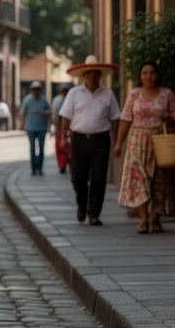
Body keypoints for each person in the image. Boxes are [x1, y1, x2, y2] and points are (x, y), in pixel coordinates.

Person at [114, 61, 175, 233]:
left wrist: (168, 119)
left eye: (151, 72)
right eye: (144, 73)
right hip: (137, 141)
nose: (148, 76)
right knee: (139, 179)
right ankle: (143, 219)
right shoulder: (134, 95)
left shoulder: (167, 94)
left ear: (157, 75)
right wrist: (118, 143)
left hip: (160, 142)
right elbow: (126, 118)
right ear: (140, 76)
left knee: (159, 180)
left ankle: (155, 218)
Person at [57, 56, 122, 226]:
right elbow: (65, 117)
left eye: (96, 74)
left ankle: (94, 213)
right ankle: (81, 204)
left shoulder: (108, 95)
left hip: (101, 140)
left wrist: (117, 141)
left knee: (99, 177)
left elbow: (115, 118)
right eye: (90, 74)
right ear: (84, 76)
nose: (93, 77)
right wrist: (63, 138)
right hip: (79, 139)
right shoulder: (73, 94)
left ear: (100, 76)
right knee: (78, 177)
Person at [19, 81, 52, 175]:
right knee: (32, 148)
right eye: (34, 90)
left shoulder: (44, 100)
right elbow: (22, 113)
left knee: (41, 148)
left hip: (41, 128)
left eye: (38, 90)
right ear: (32, 90)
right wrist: (21, 125)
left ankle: (39, 167)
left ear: (40, 90)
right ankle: (33, 168)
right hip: (30, 127)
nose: (36, 91)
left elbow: (50, 111)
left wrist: (46, 113)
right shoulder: (27, 100)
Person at [51, 86, 71, 174]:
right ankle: (63, 164)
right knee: (64, 147)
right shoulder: (64, 100)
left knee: (62, 147)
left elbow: (54, 115)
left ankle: (63, 164)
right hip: (64, 127)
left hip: (63, 127)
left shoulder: (58, 100)